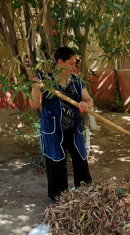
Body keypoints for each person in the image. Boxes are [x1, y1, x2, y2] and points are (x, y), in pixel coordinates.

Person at [29, 46, 93, 201]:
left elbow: (89, 100)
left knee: (80, 158)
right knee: (57, 161)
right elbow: (35, 105)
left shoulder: (76, 81)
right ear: (60, 62)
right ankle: (59, 198)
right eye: (71, 63)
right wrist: (37, 88)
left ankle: (84, 191)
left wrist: (86, 104)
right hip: (54, 130)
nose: (74, 67)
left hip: (73, 128)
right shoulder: (45, 81)